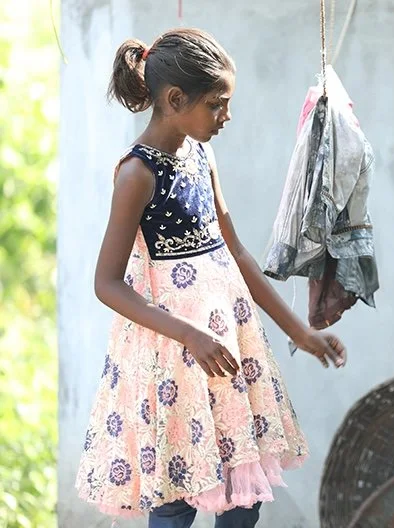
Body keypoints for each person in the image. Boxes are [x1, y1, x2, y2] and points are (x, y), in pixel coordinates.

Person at [74, 28, 347, 528]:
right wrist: (189, 335)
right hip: (176, 358)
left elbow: (236, 252)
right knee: (179, 495)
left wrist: (299, 333)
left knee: (244, 493)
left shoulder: (201, 155)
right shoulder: (137, 174)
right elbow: (106, 283)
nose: (226, 117)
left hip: (228, 345)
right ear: (176, 100)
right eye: (217, 105)